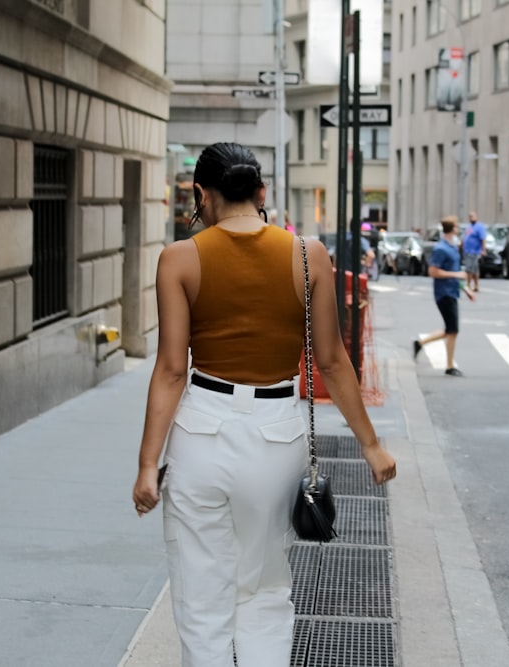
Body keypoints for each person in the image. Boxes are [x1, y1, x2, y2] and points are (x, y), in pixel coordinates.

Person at [131, 142, 396, 666]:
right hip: (277, 437)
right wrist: (372, 446)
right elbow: (334, 361)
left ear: (200, 195)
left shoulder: (180, 258)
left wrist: (146, 466)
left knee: (202, 598)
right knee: (265, 588)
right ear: (261, 193)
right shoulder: (308, 255)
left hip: (202, 434)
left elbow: (170, 369)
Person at [412, 216, 475, 377]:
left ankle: (421, 344)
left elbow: (456, 274)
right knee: (453, 330)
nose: (458, 228)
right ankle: (449, 365)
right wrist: (456, 274)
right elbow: (432, 271)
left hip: (452, 291)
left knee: (451, 329)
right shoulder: (441, 248)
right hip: (444, 293)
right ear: (451, 228)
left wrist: (466, 289)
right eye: (456, 226)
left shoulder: (452, 247)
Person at [460, 211, 488, 292]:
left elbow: (483, 239)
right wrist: (461, 244)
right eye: (470, 216)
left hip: (474, 251)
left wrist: (484, 250)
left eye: (473, 216)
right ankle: (476, 286)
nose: (471, 218)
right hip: (467, 250)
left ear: (476, 217)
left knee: (469, 269)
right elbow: (465, 237)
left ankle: (469, 285)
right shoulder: (468, 227)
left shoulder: (479, 227)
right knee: (474, 269)